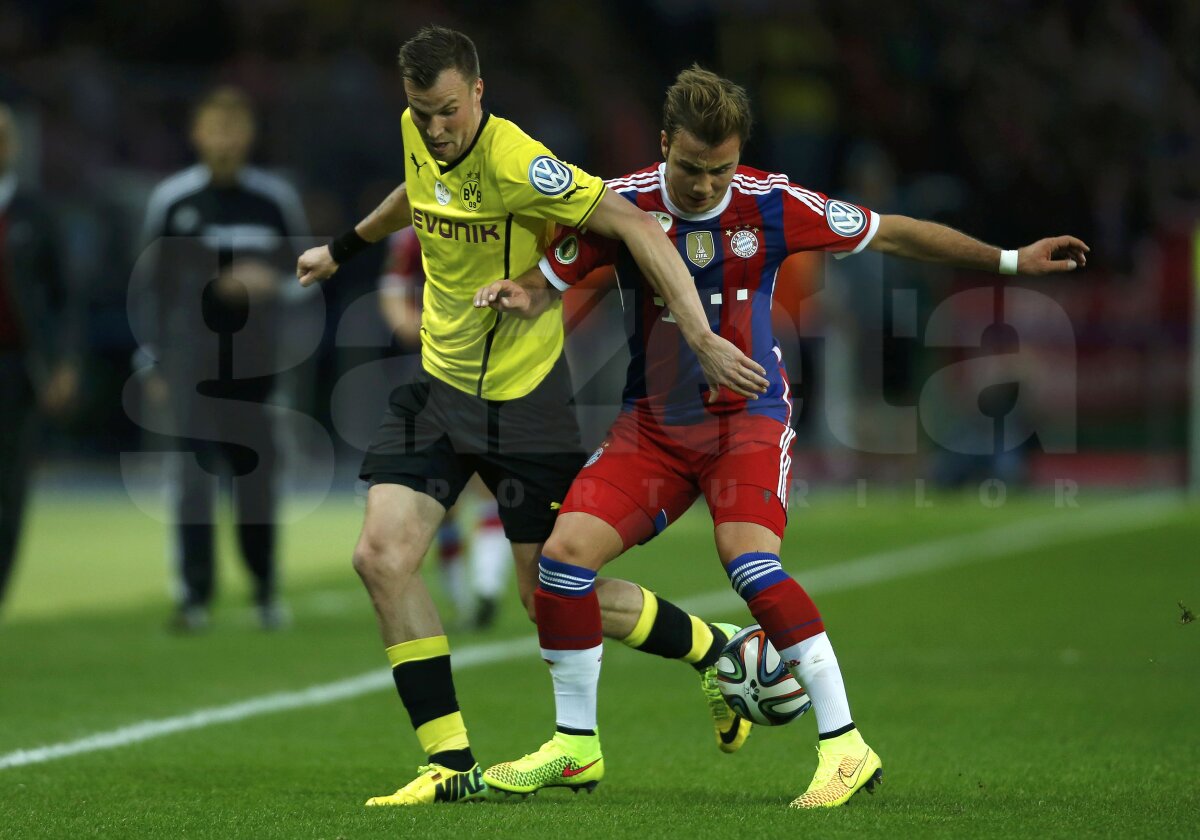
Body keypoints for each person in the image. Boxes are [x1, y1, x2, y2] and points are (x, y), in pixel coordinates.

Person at [477, 66, 1089, 808]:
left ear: (740, 158)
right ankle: (575, 747)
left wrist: (1011, 260)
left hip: (746, 419)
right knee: (561, 564)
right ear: (664, 144)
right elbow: (552, 275)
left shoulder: (771, 203)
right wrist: (521, 293)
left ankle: (845, 745)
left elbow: (889, 232)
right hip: (654, 428)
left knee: (746, 558)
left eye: (720, 170)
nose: (705, 186)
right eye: (690, 168)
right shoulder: (622, 204)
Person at [295, 27, 769, 807]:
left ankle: (713, 646)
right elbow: (416, 193)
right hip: (439, 390)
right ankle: (448, 765)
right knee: (381, 556)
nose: (437, 128)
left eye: (449, 110)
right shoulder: (418, 133)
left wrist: (701, 336)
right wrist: (344, 248)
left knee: (546, 595)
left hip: (524, 405)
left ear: (478, 93)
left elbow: (637, 225)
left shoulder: (522, 162)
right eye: (423, 112)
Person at [135, 87, 310, 632]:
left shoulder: (274, 200)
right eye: (215, 129)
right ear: (198, 135)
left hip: (256, 363)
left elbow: (310, 274)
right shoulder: (173, 200)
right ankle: (194, 596)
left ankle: (264, 589)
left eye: (234, 129)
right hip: (190, 364)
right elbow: (148, 288)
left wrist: (273, 284)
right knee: (191, 480)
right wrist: (152, 361)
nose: (225, 140)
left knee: (256, 479)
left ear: (248, 136)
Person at [377, 227, 509, 629]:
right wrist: (416, 327)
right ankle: (470, 599)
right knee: (443, 496)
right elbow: (394, 290)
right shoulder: (416, 231)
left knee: (481, 482)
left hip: (486, 366)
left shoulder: (490, 223)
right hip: (431, 369)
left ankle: (482, 591)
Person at [0, 102, 80, 613]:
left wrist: (65, 362)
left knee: (8, 489)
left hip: (15, 369)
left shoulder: (34, 213)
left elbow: (65, 294)